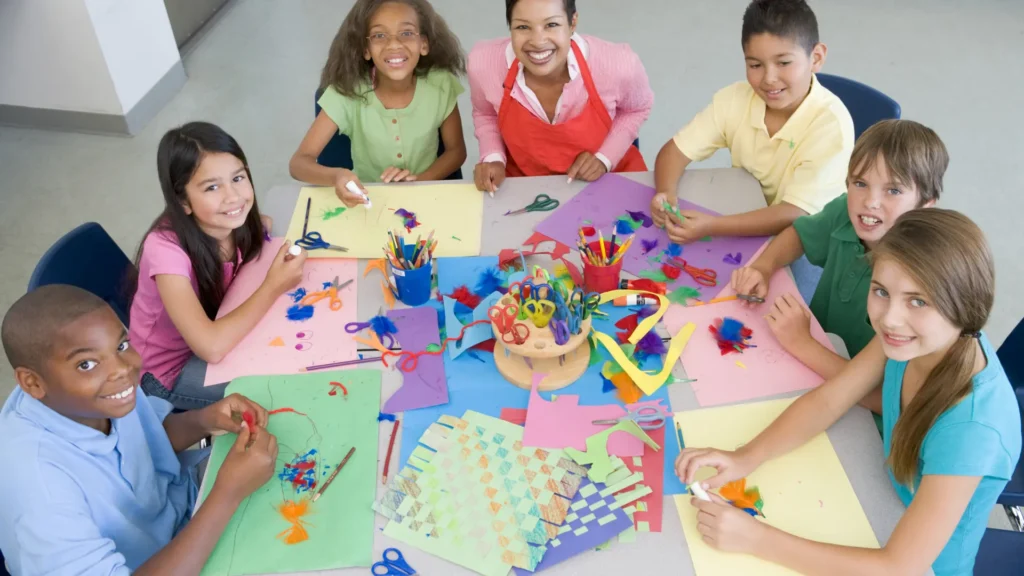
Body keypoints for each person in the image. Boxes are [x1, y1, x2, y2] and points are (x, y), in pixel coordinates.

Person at [677, 209, 1021, 576]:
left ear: (965, 307)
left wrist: (756, 539)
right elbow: (831, 399)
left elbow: (899, 568)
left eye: (918, 301)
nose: (889, 317)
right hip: (884, 503)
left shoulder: (972, 432)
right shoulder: (915, 338)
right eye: (881, 291)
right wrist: (746, 456)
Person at [0, 285, 278, 574]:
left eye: (121, 345)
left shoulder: (100, 394)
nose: (122, 369)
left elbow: (148, 441)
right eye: (86, 364)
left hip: (181, 512)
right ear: (32, 383)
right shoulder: (40, 489)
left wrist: (204, 420)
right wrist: (227, 494)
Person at [730, 120, 948, 394]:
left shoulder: (917, 286)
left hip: (859, 406)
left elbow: (885, 399)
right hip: (817, 353)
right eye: (860, 183)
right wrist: (764, 266)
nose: (870, 201)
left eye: (893, 190)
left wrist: (803, 344)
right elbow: (799, 234)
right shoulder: (845, 212)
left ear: (925, 205)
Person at [130, 122, 306, 410]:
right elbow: (211, 347)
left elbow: (263, 223)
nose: (233, 197)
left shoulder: (226, 220)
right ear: (183, 201)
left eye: (238, 178)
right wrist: (274, 285)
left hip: (216, 335)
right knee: (282, 392)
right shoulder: (164, 251)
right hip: (168, 376)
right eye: (212, 187)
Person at [653, 0, 853, 245]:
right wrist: (666, 193)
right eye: (755, 65)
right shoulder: (734, 99)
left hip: (807, 242)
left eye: (784, 63)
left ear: (817, 57)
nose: (769, 79)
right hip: (746, 220)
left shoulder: (831, 126)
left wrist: (712, 226)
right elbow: (673, 152)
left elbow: (795, 214)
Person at [289, 0, 467, 207]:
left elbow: (456, 151)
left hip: (429, 197)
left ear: (424, 44)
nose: (394, 44)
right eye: (379, 35)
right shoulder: (346, 94)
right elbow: (299, 163)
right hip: (369, 204)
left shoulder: (441, 84)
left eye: (407, 33)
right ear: (366, 50)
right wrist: (336, 176)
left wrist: (420, 181)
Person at [468, 0, 652, 193]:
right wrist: (493, 158)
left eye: (551, 25)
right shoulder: (483, 64)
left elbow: (637, 109)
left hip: (611, 177)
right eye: (523, 26)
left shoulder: (618, 64)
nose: (538, 42)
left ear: (572, 23)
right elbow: (486, 114)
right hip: (526, 183)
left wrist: (604, 158)